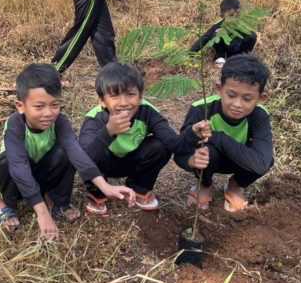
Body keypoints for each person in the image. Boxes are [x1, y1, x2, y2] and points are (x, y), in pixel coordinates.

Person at [0, 63, 135, 239]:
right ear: (21, 106)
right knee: (5, 163)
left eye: (54, 105)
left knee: (67, 152)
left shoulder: (60, 122)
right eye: (39, 106)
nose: (48, 113)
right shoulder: (15, 124)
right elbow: (19, 167)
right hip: (16, 173)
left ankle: (56, 200)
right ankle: (3, 202)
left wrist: (105, 186)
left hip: (40, 172)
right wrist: (42, 213)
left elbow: (77, 153)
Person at [79, 63, 209, 215]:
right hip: (104, 165)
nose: (123, 102)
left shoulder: (149, 113)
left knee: (160, 146)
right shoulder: (94, 119)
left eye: (130, 94)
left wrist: (192, 133)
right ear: (102, 100)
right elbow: (83, 159)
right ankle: (97, 192)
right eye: (114, 95)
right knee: (95, 150)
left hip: (131, 161)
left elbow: (173, 144)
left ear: (140, 97)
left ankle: (140, 187)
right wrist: (108, 131)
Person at [175, 54, 273, 213]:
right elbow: (179, 151)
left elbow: (261, 164)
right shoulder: (201, 109)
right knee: (207, 152)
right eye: (231, 95)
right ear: (219, 89)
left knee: (267, 159)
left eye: (247, 98)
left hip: (240, 160)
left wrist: (217, 137)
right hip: (212, 160)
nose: (237, 104)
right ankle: (205, 184)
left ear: (261, 98)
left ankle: (235, 186)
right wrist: (192, 160)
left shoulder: (259, 115)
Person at [189, 0, 257, 67]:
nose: (235, 19)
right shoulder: (218, 25)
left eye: (238, 16)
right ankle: (220, 58)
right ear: (222, 16)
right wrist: (190, 54)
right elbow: (204, 38)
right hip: (225, 52)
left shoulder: (242, 26)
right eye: (231, 16)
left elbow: (239, 45)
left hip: (238, 51)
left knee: (252, 35)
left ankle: (243, 58)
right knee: (216, 33)